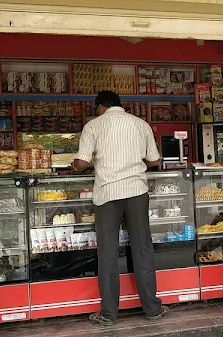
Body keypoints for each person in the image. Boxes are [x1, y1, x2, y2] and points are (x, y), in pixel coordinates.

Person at [71, 90, 168, 325]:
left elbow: (82, 162)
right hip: (136, 192)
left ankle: (108, 313)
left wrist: (74, 166)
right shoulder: (140, 124)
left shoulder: (94, 126)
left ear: (101, 107)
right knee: (142, 250)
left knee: (108, 254)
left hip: (108, 195)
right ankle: (153, 309)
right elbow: (154, 161)